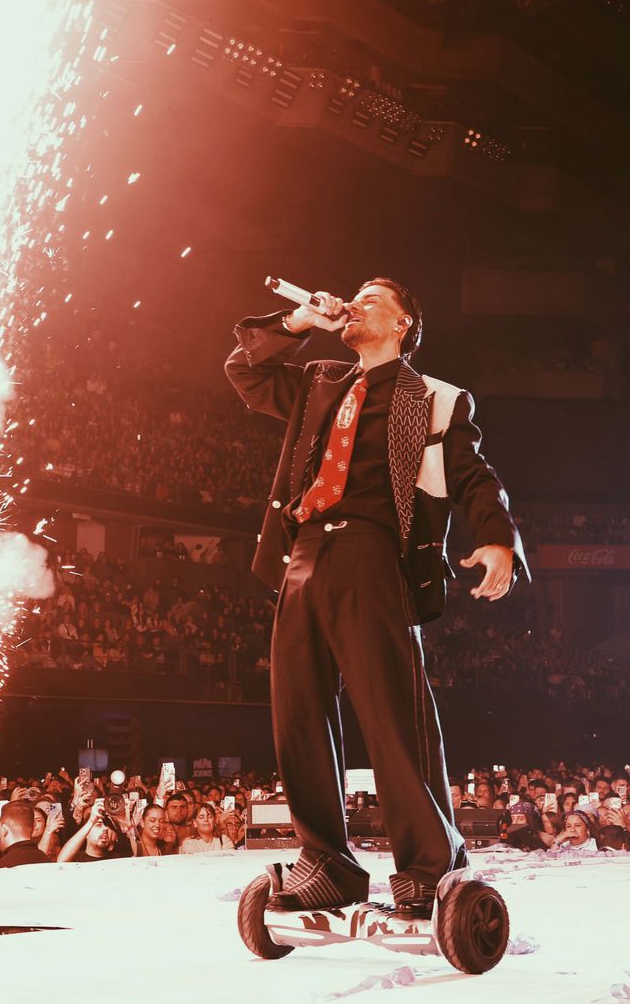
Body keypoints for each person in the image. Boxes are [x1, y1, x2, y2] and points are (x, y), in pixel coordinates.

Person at [225, 278, 527, 919]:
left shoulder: (436, 399)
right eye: (353, 295)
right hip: (302, 552)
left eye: (373, 297)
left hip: (372, 552)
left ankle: (426, 867)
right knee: (298, 713)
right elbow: (245, 368)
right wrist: (300, 319)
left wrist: (497, 539)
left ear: (403, 324)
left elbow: (475, 475)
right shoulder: (319, 380)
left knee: (392, 711)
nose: (355, 302)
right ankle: (327, 864)